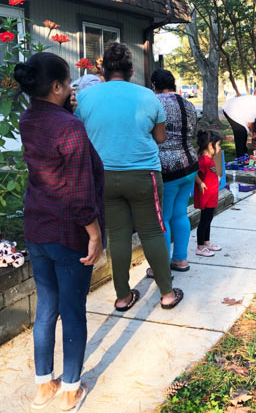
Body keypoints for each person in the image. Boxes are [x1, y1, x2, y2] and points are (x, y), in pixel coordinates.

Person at [15, 52, 104, 412]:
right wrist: (94, 235)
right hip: (70, 233)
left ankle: (42, 385)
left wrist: (64, 108)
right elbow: (81, 194)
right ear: (56, 87)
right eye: (68, 83)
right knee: (73, 311)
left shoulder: (28, 119)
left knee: (47, 308)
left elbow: (53, 151)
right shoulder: (70, 127)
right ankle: (70, 388)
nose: (72, 88)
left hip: (37, 226)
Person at [76, 42, 183, 311]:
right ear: (131, 70)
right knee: (153, 232)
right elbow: (159, 137)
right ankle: (167, 294)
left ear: (102, 69)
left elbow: (81, 132)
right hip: (143, 173)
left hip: (105, 176)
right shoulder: (149, 96)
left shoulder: (86, 98)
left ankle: (123, 297)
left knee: (117, 234)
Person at [150, 69, 199, 273]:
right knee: (180, 214)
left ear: (154, 85)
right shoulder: (188, 104)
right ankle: (181, 259)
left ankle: (161, 266)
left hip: (167, 167)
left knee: (164, 218)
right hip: (190, 164)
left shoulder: (154, 102)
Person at [194, 130, 223, 257]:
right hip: (206, 195)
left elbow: (212, 172)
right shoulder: (203, 160)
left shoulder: (209, 159)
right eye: (218, 145)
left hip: (212, 194)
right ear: (211, 146)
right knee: (204, 221)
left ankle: (207, 243)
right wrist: (200, 183)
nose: (220, 148)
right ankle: (200, 247)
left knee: (209, 219)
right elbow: (193, 172)